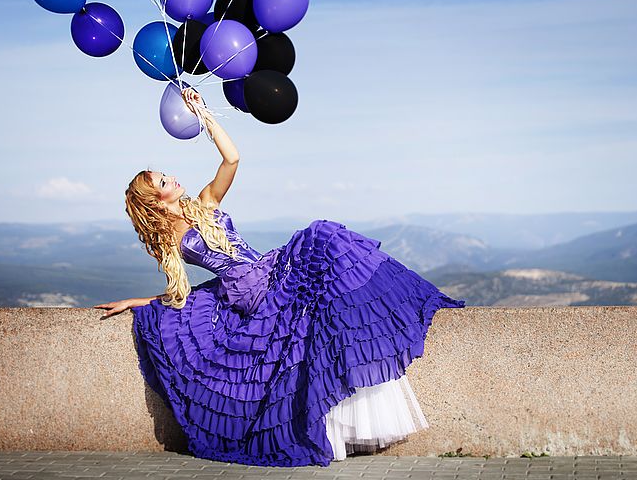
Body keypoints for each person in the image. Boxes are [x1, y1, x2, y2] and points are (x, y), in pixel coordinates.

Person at [95, 87, 466, 467]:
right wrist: (137, 303)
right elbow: (178, 293)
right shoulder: (170, 239)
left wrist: (203, 114)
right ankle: (327, 428)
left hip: (271, 269)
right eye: (162, 181)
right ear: (155, 201)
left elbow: (232, 159)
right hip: (249, 293)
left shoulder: (204, 202)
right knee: (315, 289)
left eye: (165, 175)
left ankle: (401, 304)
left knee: (324, 237)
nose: (172, 178)